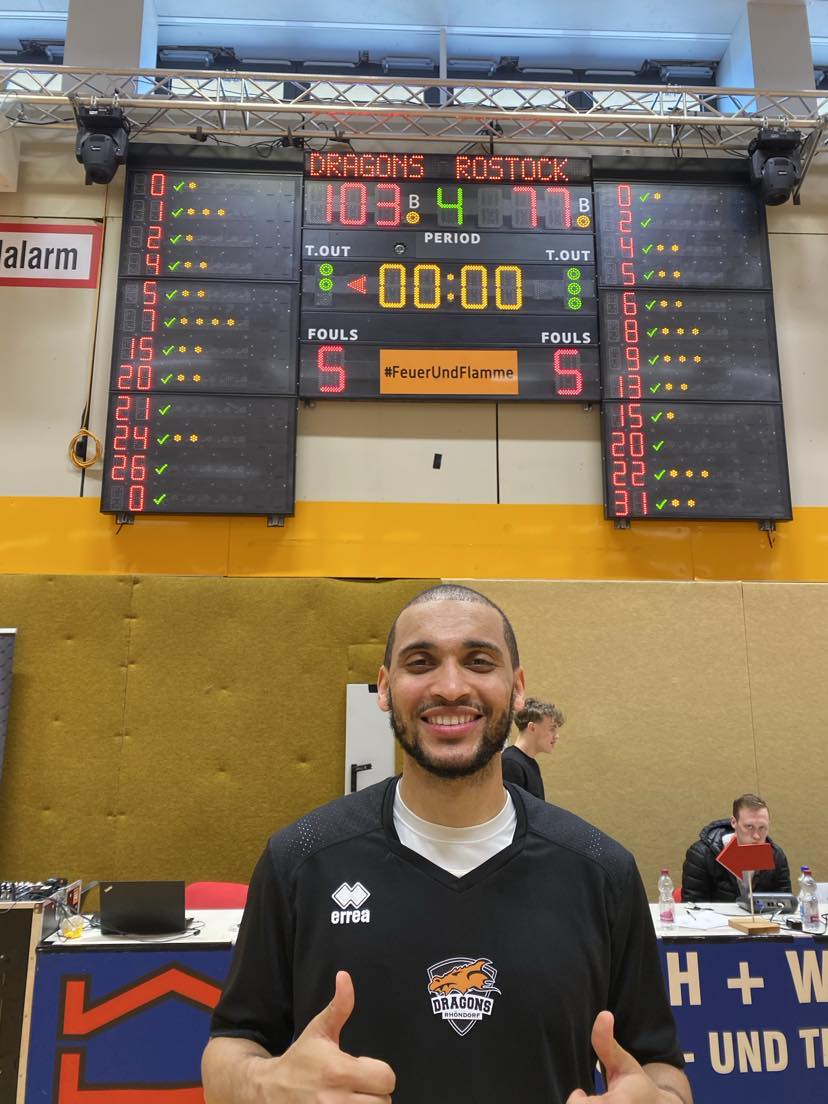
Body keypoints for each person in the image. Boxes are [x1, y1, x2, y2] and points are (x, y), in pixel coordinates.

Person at [203, 584, 691, 1104]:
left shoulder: (602, 870)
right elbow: (230, 1048)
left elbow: (663, 1070)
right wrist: (264, 1086)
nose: (452, 687)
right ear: (385, 689)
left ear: (517, 688)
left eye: (479, 662)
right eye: (421, 663)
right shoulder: (300, 860)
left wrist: (659, 1100)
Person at [681, 793, 791, 903]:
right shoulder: (701, 855)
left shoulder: (776, 856)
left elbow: (785, 904)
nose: (756, 836)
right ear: (734, 822)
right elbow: (692, 905)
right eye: (749, 827)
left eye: (762, 828)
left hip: (761, 914)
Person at [501, 696, 565, 799]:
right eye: (552, 729)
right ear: (532, 728)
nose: (556, 736)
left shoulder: (529, 763)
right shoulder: (510, 763)